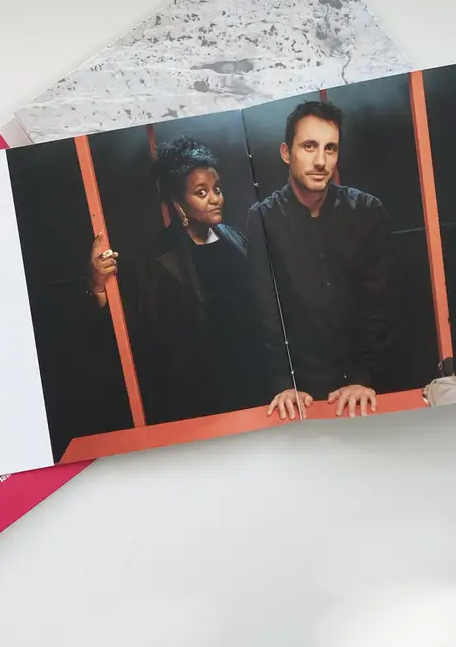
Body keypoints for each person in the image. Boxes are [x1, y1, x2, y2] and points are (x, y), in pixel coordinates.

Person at [87, 136, 272, 424]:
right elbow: (133, 332)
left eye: (216, 189)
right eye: (201, 192)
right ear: (178, 203)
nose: (215, 198)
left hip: (252, 381)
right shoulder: (157, 258)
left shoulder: (234, 239)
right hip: (197, 397)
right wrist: (98, 287)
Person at [246, 100, 401, 421]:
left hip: (365, 386)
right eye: (309, 146)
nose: (321, 161)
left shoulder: (367, 211)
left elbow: (382, 303)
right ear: (286, 152)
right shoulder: (262, 218)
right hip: (299, 394)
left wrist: (363, 378)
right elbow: (265, 311)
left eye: (330, 149)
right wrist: (283, 384)